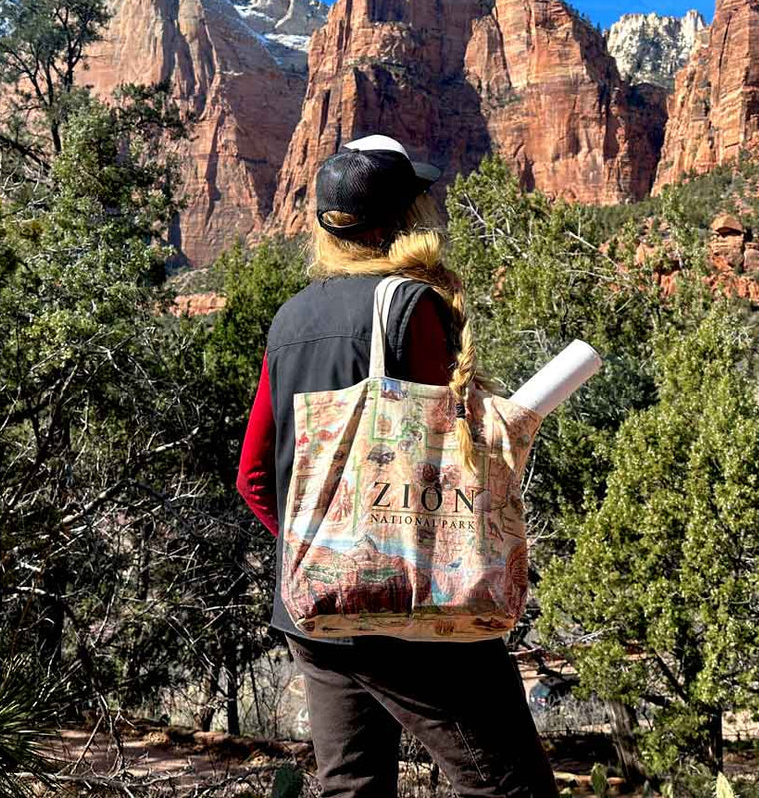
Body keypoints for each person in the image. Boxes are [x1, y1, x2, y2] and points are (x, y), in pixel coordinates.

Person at [236, 134, 558, 798]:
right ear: (402, 221)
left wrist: (327, 552)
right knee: (510, 785)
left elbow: (254, 477)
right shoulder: (412, 308)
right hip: (407, 608)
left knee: (351, 788)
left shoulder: (289, 318)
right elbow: (446, 465)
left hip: (313, 611)